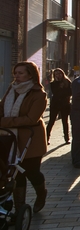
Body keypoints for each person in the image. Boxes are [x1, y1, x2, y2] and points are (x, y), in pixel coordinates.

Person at [0, 61, 49, 213]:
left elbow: (31, 118)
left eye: (20, 73)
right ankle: (20, 208)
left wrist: (4, 122)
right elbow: (2, 107)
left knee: (32, 172)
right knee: (15, 173)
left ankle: (41, 193)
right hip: (10, 138)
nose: (17, 76)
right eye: (15, 73)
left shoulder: (39, 94)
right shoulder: (11, 89)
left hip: (30, 139)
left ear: (30, 75)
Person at [46, 68, 72, 145]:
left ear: (63, 74)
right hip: (55, 104)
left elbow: (70, 92)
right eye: (56, 74)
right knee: (51, 121)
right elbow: (55, 93)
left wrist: (63, 91)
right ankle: (46, 138)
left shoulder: (67, 82)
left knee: (65, 122)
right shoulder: (53, 84)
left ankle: (66, 138)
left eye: (59, 73)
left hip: (65, 104)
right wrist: (59, 85)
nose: (58, 75)